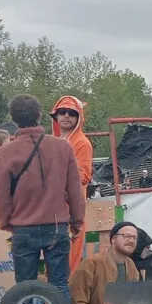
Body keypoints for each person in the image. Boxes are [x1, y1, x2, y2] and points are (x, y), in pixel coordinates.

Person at [0, 96, 85, 304]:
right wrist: (77, 221)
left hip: (23, 227)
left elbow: (0, 195)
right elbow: (75, 190)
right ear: (41, 115)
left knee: (25, 287)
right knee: (58, 285)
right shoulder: (62, 147)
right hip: (57, 226)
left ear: (14, 119)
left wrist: (5, 222)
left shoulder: (5, 152)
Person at [50, 95, 93, 272]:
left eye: (72, 113)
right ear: (56, 117)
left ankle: (65, 298)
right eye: (62, 112)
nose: (66, 116)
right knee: (53, 264)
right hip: (52, 212)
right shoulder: (52, 141)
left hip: (71, 212)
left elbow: (83, 176)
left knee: (67, 265)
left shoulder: (82, 143)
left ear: (79, 118)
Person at [69, 221, 140, 304]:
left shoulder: (131, 266)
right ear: (113, 239)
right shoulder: (92, 263)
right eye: (127, 236)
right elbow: (76, 300)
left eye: (135, 238)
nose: (131, 241)